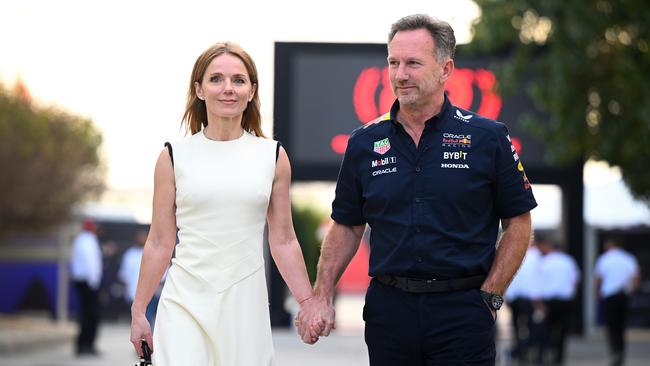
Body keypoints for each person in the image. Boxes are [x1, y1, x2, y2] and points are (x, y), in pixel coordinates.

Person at [296, 14, 538, 365]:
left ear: (445, 69)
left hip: (463, 313)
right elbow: (347, 225)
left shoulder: (488, 137)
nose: (400, 74)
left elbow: (518, 222)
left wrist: (492, 295)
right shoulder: (364, 142)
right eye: (393, 63)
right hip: (389, 313)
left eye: (412, 63)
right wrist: (322, 294)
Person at [129, 42, 318, 365]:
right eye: (216, 79)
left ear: (251, 90)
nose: (227, 88)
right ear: (199, 89)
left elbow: (284, 239)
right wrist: (139, 311)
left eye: (238, 80)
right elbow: (160, 241)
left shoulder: (272, 156)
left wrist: (307, 302)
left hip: (245, 305)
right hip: (184, 301)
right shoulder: (173, 156)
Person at [594, 238, 640, 366]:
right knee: (621, 326)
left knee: (611, 327)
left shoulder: (604, 259)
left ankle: (614, 351)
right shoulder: (628, 258)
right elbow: (636, 277)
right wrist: (631, 290)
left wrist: (597, 293)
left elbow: (598, 278)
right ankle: (620, 351)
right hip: (623, 295)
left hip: (609, 296)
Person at [537, 237, 580, 365]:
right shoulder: (568, 261)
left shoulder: (543, 262)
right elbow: (576, 281)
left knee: (547, 329)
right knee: (562, 330)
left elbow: (537, 282)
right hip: (565, 301)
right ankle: (559, 357)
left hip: (548, 301)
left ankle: (545, 355)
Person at [504, 234, 543, 362]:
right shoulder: (535, 256)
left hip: (515, 297)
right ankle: (520, 350)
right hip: (529, 297)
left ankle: (520, 352)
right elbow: (535, 278)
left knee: (517, 327)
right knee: (533, 327)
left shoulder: (514, 253)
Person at [69, 218, 102, 356]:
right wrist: (94, 282)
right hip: (88, 282)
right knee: (91, 315)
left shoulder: (80, 240)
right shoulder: (89, 241)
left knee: (85, 314)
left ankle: (84, 344)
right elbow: (91, 263)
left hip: (83, 281)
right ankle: (87, 344)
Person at [119, 229, 163, 327]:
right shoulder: (130, 254)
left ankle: (146, 341)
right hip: (133, 292)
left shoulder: (155, 253)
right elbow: (124, 274)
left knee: (147, 318)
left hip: (151, 293)